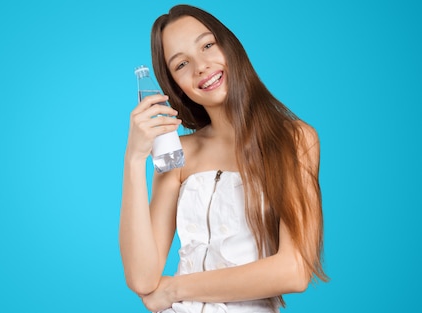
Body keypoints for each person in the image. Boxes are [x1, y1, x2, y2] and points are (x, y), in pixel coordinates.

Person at [119, 4, 328, 313]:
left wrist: (174, 288)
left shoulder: (294, 141)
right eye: (181, 64)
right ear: (175, 85)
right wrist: (134, 160)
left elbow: (294, 270)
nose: (201, 66)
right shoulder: (180, 153)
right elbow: (142, 277)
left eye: (207, 45)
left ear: (230, 46)